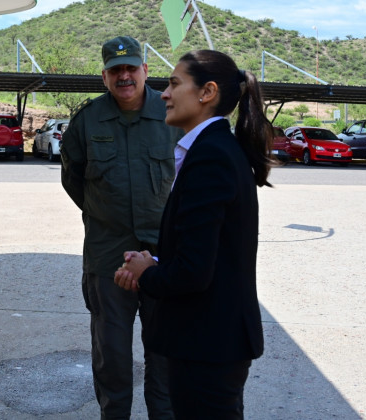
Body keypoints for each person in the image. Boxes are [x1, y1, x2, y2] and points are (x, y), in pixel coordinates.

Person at [114, 49, 271, 419]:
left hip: (208, 344)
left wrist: (145, 272)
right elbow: (205, 252)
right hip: (213, 341)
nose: (164, 94)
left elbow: (193, 271)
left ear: (207, 92)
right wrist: (153, 262)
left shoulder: (211, 155)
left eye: (173, 83)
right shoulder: (213, 148)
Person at [60, 35, 182, 420]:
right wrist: (105, 216)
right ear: (104, 76)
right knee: (111, 357)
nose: (124, 75)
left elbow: (192, 179)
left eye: (131, 68)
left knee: (164, 356)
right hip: (107, 256)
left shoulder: (172, 113)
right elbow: (73, 179)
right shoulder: (87, 121)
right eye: (116, 70)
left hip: (163, 256)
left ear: (145, 70)